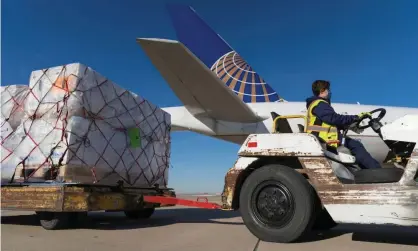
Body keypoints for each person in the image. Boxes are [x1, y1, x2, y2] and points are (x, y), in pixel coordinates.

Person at [305, 80, 382, 169]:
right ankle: (374, 170)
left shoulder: (317, 104)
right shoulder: (320, 104)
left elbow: (329, 122)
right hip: (323, 139)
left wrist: (351, 125)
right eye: (328, 90)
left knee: (354, 147)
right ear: (322, 91)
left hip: (325, 138)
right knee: (356, 146)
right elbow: (333, 118)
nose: (330, 93)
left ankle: (364, 171)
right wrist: (355, 117)